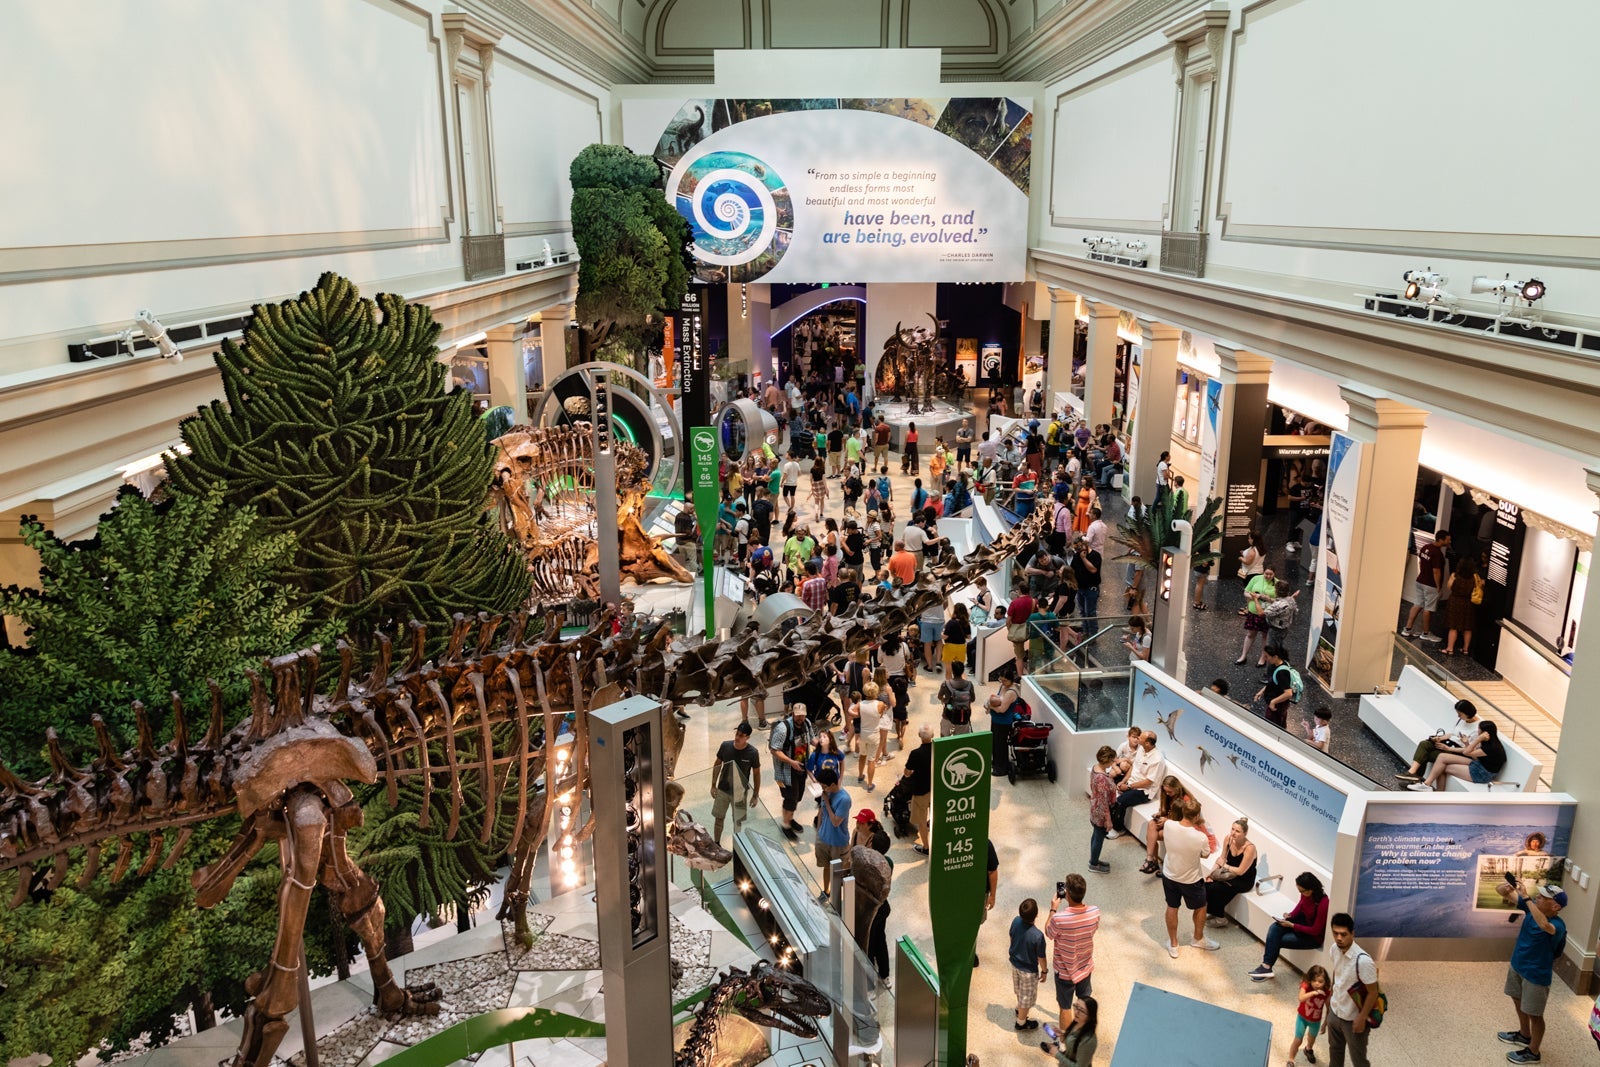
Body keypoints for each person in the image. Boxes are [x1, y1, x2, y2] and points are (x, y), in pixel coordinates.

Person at [1495, 882, 1567, 1063]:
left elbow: (1544, 925)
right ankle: (1524, 1034)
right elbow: (1500, 892)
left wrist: (1526, 898)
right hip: (1518, 965)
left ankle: (1534, 1052)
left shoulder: (1557, 925)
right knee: (1517, 999)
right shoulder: (1530, 909)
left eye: (1543, 897)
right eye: (1538, 895)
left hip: (1536, 976)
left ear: (1556, 906)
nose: (1538, 897)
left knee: (1535, 1015)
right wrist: (1507, 888)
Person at [1160, 798, 1217, 959]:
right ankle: (1198, 938)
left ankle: (1173, 944)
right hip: (1191, 880)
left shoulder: (1169, 825)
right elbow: (1205, 854)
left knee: (1172, 907)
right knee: (1201, 907)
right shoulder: (1200, 837)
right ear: (1197, 815)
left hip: (1169, 874)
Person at [1247, 872, 1330, 981]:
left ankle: (1266, 968)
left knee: (1277, 940)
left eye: (1302, 891)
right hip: (1301, 924)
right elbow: (1301, 905)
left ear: (1311, 889)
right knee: (1275, 927)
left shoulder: (1324, 903)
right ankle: (1266, 967)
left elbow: (1315, 930)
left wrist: (1292, 925)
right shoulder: (1305, 894)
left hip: (1312, 937)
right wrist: (1291, 915)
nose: (1300, 893)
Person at [1325, 913, 1381, 1067]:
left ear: (1352, 933)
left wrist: (1362, 1017)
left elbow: (1373, 992)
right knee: (1335, 1051)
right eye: (1335, 933)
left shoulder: (1363, 961)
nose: (1339, 938)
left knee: (1358, 1060)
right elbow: (1337, 974)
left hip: (1353, 1019)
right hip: (1335, 1012)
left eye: (1343, 934)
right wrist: (1330, 998)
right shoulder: (1334, 950)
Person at [1395, 698, 1480, 783]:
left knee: (1427, 754)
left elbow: (1470, 750)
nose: (1458, 716)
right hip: (1448, 744)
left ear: (1468, 713)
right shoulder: (1462, 720)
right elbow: (1454, 734)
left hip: (1457, 751)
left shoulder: (1477, 729)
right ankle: (1412, 772)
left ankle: (1416, 777)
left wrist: (1448, 748)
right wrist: (1440, 738)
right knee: (1424, 744)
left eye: (1460, 714)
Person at [1408, 717, 1506, 791]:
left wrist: (1478, 739)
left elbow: (1467, 752)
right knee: (1442, 757)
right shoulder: (1489, 742)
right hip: (1478, 763)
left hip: (1483, 773)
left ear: (1484, 732)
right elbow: (1471, 753)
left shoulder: (1491, 747)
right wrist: (1465, 743)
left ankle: (1433, 789)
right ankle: (1428, 786)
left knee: (1442, 768)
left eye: (1479, 729)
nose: (1477, 731)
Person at [710, 721, 763, 844]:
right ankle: (716, 843)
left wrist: (755, 795)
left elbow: (756, 774)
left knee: (737, 821)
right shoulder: (725, 746)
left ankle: (738, 847)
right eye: (737, 733)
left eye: (741, 735)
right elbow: (717, 764)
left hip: (740, 793)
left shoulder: (753, 753)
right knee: (719, 819)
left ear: (747, 737)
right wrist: (713, 785)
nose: (737, 737)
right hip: (723, 789)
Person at [769, 704, 815, 839]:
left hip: (801, 767)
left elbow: (811, 739)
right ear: (793, 713)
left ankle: (790, 818)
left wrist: (822, 745)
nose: (801, 717)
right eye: (798, 715)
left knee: (797, 797)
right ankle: (786, 825)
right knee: (790, 798)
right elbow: (774, 750)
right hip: (787, 771)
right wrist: (791, 762)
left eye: (803, 715)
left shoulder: (806, 723)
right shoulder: (783, 728)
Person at [1108, 731, 1165, 837]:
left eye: (1141, 738)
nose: (1138, 738)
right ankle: (1108, 820)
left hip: (1144, 791)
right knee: (1108, 781)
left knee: (1120, 801)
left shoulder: (1157, 759)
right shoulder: (1141, 749)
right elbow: (1134, 767)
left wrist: (1128, 786)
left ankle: (1118, 829)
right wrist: (1124, 781)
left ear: (1147, 743)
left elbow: (1148, 781)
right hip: (1131, 783)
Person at [1203, 818, 1258, 925]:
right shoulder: (1228, 839)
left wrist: (1225, 865)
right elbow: (1221, 859)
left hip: (1244, 879)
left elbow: (1241, 871)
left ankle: (1221, 919)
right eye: (1232, 829)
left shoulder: (1250, 848)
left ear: (1245, 833)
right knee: (1206, 885)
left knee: (1217, 888)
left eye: (1237, 831)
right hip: (1229, 874)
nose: (1233, 833)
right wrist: (1211, 874)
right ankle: (1215, 912)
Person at [1402, 528, 1451, 641]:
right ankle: (1425, 633)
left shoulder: (1425, 547)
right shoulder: (1437, 554)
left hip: (1420, 581)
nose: (1449, 542)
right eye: (1448, 540)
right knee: (1428, 609)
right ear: (1440, 540)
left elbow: (1420, 561)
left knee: (1417, 604)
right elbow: (1436, 571)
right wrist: (1438, 586)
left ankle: (1407, 629)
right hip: (1430, 585)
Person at [1008, 898, 1048, 1030]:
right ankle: (1021, 1022)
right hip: (1029, 971)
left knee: (1019, 989)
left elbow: (1011, 937)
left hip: (1014, 963)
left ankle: (1019, 1008)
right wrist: (1044, 971)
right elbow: (1041, 957)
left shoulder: (1016, 921)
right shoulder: (1037, 936)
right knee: (1027, 996)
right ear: (1036, 915)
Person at [813, 767, 851, 903]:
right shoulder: (825, 793)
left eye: (824, 786)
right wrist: (818, 833)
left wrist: (828, 803)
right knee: (826, 866)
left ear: (833, 784)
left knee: (837, 872)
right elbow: (821, 812)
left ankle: (837, 899)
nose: (822, 788)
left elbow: (835, 822)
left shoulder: (844, 799)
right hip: (823, 839)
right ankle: (826, 891)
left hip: (838, 843)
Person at [1287, 965, 1331, 1067]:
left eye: (1320, 981)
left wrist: (1325, 1024)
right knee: (1298, 1039)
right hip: (1302, 1018)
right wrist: (1314, 993)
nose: (1317, 984)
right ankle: (1291, 1059)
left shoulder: (1326, 993)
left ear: (1325, 982)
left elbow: (1329, 1008)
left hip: (1315, 1021)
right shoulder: (1306, 985)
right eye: (1314, 980)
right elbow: (1301, 998)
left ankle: (1308, 1049)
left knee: (1312, 1039)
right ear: (1310, 979)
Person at [902, 724, 935, 854]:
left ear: (919, 736)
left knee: (921, 820)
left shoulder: (916, 754)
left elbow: (907, 772)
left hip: (921, 791)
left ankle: (926, 847)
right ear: (932, 735)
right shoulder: (938, 749)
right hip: (936, 789)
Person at [1237, 566, 1279, 665]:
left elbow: (1279, 601)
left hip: (1267, 614)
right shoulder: (1256, 579)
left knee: (1265, 636)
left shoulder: (1277, 583)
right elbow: (1246, 592)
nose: (1268, 576)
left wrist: (1268, 598)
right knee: (1250, 634)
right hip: (1254, 612)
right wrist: (1253, 596)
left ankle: (1263, 658)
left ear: (1274, 574)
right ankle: (1243, 656)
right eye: (1266, 573)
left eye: (1270, 574)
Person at [1041, 996, 1099, 1067]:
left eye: (1082, 1010)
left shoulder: (1089, 1041)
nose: (1076, 1012)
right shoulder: (1077, 1022)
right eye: (1076, 1006)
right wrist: (1064, 1036)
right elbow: (1074, 1046)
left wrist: (1057, 1054)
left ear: (1090, 1015)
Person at [1086, 746, 1117, 873]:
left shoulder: (1095, 768)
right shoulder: (1102, 778)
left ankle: (1094, 859)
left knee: (1096, 834)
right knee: (1099, 837)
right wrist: (1108, 820)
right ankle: (1093, 864)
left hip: (1095, 807)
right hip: (1101, 812)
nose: (1113, 763)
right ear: (1107, 760)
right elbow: (1104, 801)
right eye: (1112, 760)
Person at [1443, 555, 1479, 656]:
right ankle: (1465, 649)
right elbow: (1478, 588)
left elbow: (1449, 587)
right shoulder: (1475, 577)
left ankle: (1450, 649)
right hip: (1468, 603)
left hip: (1455, 601)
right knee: (1467, 627)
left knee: (1453, 626)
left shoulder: (1454, 575)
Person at [854, 682, 887, 792]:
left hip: (863, 734)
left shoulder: (860, 704)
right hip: (874, 734)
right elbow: (881, 715)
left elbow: (853, 712)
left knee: (862, 755)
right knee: (871, 760)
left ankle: (860, 775)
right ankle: (869, 784)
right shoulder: (880, 704)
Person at [1254, 645, 1294, 729]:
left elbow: (1288, 693)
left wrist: (1273, 702)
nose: (1265, 659)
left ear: (1275, 657)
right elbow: (1273, 681)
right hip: (1279, 704)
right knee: (1280, 724)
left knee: (1272, 727)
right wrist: (1262, 691)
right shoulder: (1280, 664)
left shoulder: (1282, 673)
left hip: (1277, 706)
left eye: (1267, 656)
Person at [936, 660, 976, 735]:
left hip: (948, 715)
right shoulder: (969, 685)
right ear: (963, 671)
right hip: (963, 717)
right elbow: (973, 699)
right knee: (960, 742)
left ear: (952, 671)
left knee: (944, 739)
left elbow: (939, 696)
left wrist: (944, 700)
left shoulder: (945, 684)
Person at [1006, 584, 1036, 678]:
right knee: (1033, 653)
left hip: (1017, 631)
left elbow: (1008, 620)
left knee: (1019, 656)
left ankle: (1020, 676)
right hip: (1031, 629)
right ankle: (1032, 673)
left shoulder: (1014, 603)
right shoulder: (1034, 601)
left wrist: (1010, 629)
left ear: (1019, 591)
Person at [942, 602, 972, 679]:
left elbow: (945, 637)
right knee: (960, 670)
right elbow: (969, 637)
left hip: (949, 647)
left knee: (949, 671)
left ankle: (949, 686)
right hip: (961, 647)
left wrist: (940, 634)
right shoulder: (966, 623)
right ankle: (962, 685)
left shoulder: (951, 622)